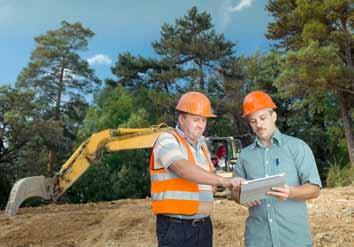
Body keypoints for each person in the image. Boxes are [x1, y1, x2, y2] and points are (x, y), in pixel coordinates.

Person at [150, 91, 242, 247]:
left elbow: (209, 178)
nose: (201, 125)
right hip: (176, 227)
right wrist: (223, 181)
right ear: (181, 119)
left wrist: (219, 186)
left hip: (203, 226)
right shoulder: (167, 139)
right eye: (196, 120)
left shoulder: (202, 146)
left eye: (204, 120)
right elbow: (182, 168)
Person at [232, 91, 322, 247]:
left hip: (294, 239)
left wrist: (291, 192)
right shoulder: (244, 156)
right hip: (258, 239)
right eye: (253, 121)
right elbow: (235, 191)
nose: (259, 125)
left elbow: (314, 189)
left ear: (273, 117)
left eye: (263, 118)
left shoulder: (297, 147)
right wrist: (240, 196)